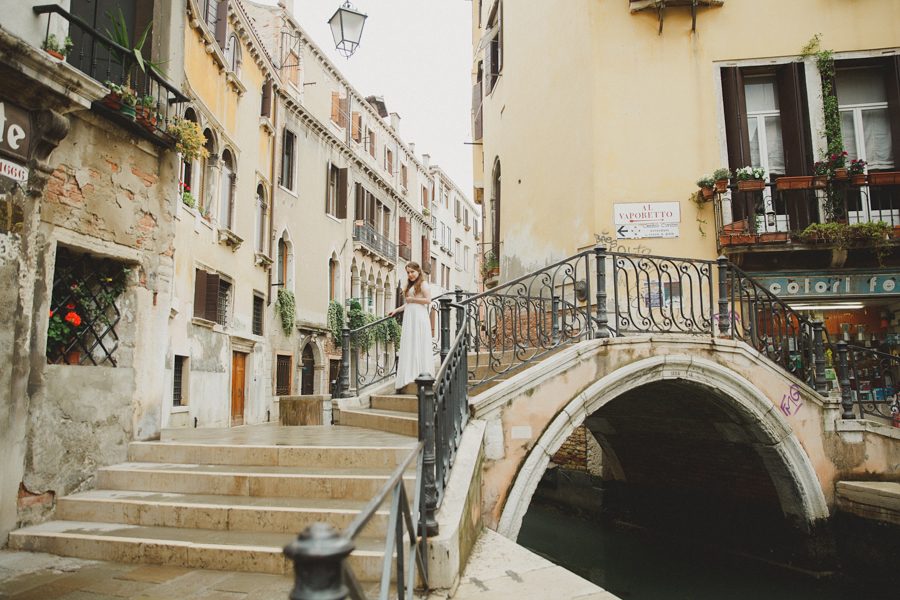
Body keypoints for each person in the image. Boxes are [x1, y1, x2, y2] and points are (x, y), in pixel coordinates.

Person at [388, 262, 434, 391]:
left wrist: (413, 300)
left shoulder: (423, 284)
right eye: (408, 272)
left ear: (418, 271)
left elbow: (428, 300)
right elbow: (408, 303)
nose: (410, 275)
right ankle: (410, 374)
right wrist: (396, 310)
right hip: (410, 315)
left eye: (412, 272)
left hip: (419, 316)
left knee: (418, 341)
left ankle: (421, 373)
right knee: (410, 343)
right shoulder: (410, 285)